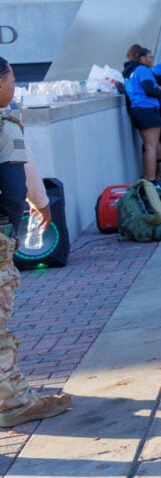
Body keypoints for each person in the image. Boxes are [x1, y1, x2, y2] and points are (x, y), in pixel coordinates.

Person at [0, 56, 71, 429]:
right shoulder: (4, 122)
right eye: (11, 80)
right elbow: (19, 172)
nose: (14, 90)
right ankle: (12, 403)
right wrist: (35, 207)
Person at [122, 44, 161, 184]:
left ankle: (148, 177)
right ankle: (151, 180)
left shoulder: (130, 71)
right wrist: (160, 92)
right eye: (149, 57)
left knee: (148, 146)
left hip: (137, 109)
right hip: (147, 109)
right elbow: (148, 89)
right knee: (151, 147)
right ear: (141, 58)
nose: (152, 60)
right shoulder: (143, 70)